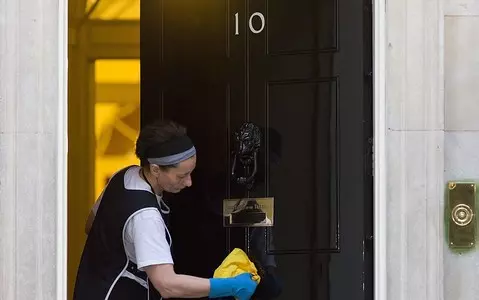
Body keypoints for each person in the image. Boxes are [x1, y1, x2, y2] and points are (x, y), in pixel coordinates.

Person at [73, 119, 258, 300]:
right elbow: (167, 285)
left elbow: (91, 225)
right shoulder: (145, 217)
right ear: (155, 170)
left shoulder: (123, 177)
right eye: (182, 176)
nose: (189, 182)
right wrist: (230, 286)